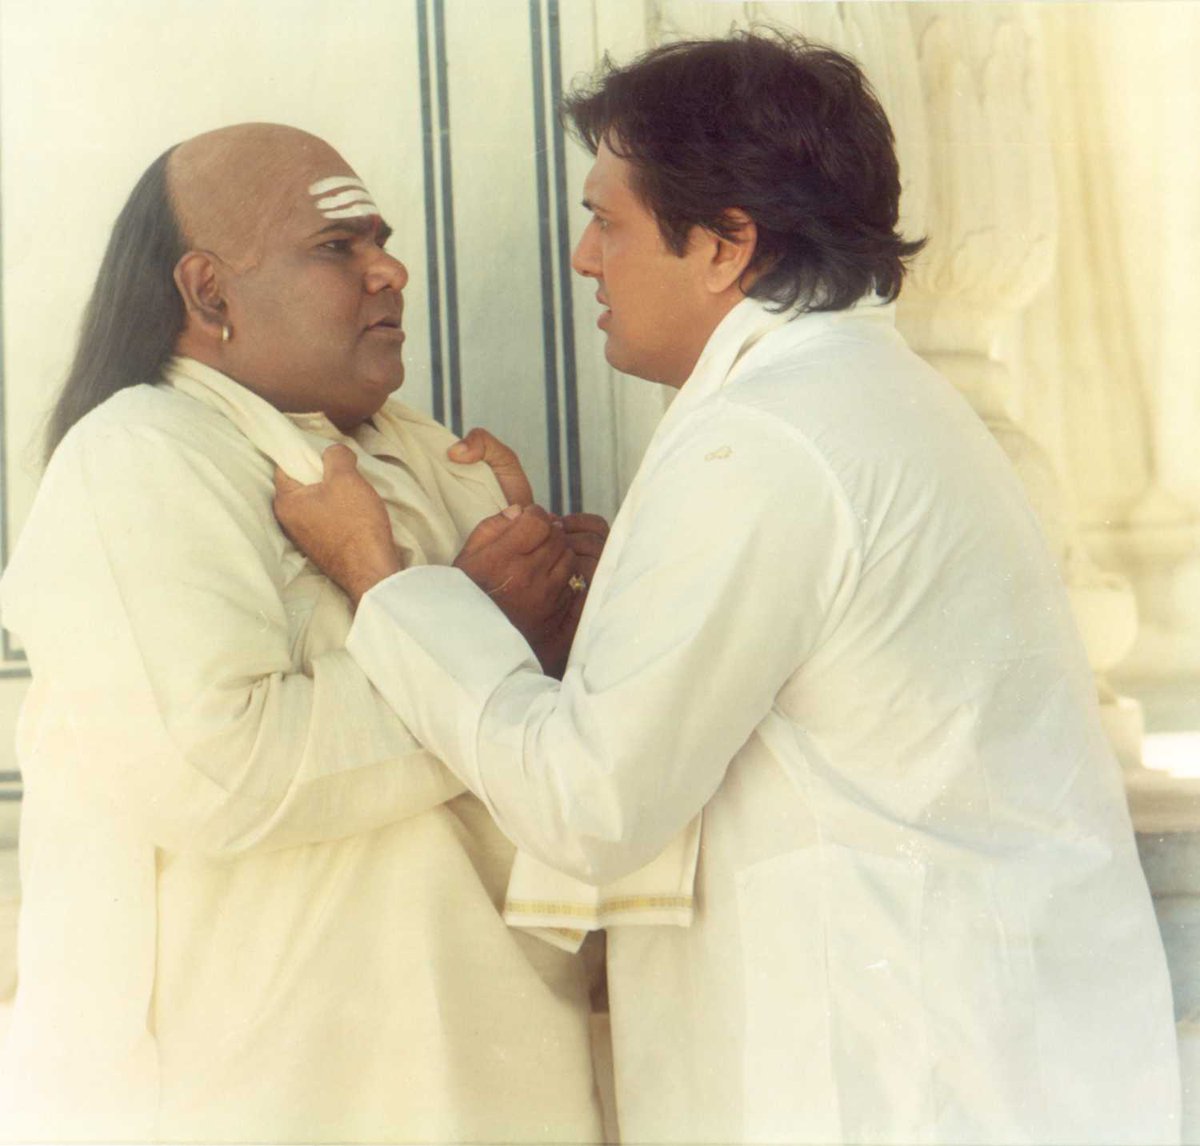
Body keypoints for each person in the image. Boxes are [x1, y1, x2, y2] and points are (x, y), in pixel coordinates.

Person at [274, 32, 1183, 1146]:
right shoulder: (851, 397)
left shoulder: (767, 443)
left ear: (725, 245)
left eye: (608, 221)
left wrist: (382, 579)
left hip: (892, 1086)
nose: (584, 258)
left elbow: (589, 806)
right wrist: (624, 602)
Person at [0, 123, 606, 1143]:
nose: (390, 271)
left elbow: (540, 766)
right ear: (209, 294)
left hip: (494, 1066)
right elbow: (219, 774)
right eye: (338, 247)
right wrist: (484, 632)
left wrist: (586, 623)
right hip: (275, 1090)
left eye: (383, 241)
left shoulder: (424, 449)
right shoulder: (138, 456)